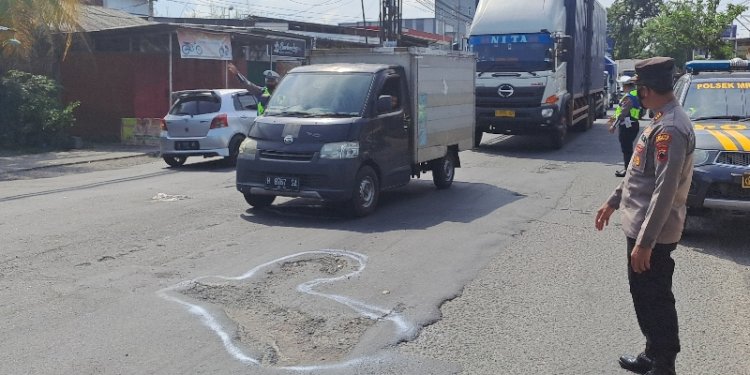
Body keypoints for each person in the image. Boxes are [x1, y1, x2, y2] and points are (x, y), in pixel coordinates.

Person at [595, 56, 695, 375]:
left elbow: (664, 190)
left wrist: (646, 242)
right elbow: (638, 175)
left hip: (653, 234)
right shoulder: (659, 118)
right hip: (642, 228)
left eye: (639, 89)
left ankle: (664, 363)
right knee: (645, 296)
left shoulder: (671, 129)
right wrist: (612, 201)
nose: (638, 94)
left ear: (647, 90)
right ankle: (652, 352)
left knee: (655, 299)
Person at [608, 75, 642, 177]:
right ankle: (629, 169)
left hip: (627, 126)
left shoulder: (628, 97)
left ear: (626, 86)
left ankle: (628, 170)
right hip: (634, 123)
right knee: (628, 148)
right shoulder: (636, 94)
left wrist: (613, 125)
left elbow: (623, 113)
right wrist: (612, 118)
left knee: (626, 149)